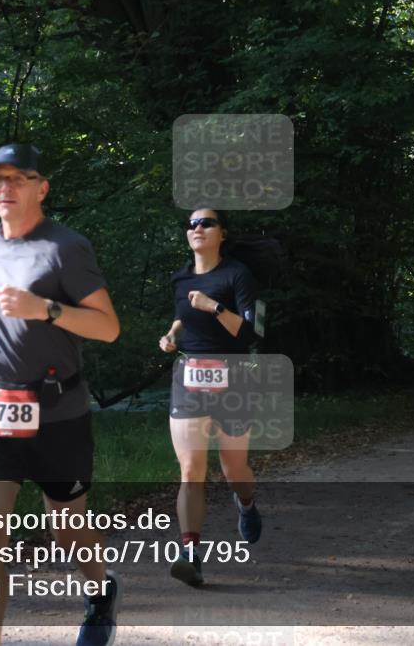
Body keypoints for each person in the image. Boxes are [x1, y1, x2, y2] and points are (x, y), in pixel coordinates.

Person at [0, 143, 121, 646]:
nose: (5, 188)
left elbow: (109, 327)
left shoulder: (66, 247)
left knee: (66, 528)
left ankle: (100, 592)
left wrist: (44, 309)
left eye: (18, 178)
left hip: (58, 411)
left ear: (41, 187)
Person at [158, 208, 262, 587]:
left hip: (233, 378)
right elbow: (181, 316)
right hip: (188, 378)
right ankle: (190, 554)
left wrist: (215, 307)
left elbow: (252, 333)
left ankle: (246, 502)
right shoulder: (181, 277)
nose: (197, 227)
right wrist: (171, 336)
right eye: (191, 223)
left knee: (233, 469)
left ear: (222, 233)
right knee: (190, 470)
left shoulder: (238, 275)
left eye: (206, 222)